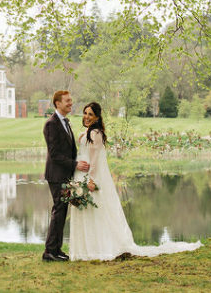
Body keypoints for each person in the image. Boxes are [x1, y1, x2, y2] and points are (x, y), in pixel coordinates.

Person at [68, 102, 203, 261]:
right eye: (85, 113)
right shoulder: (87, 132)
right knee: (86, 212)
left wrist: (91, 180)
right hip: (80, 174)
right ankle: (84, 249)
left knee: (95, 212)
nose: (86, 117)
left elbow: (95, 160)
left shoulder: (95, 133)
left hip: (89, 178)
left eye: (90, 114)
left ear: (97, 117)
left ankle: (97, 248)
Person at [42, 90, 89, 262]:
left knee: (61, 212)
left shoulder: (65, 122)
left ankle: (56, 249)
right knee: (58, 211)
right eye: (67, 101)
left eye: (71, 100)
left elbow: (68, 150)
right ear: (57, 103)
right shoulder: (51, 124)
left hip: (65, 175)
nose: (70, 103)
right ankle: (49, 252)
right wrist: (75, 164)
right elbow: (54, 154)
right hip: (56, 175)